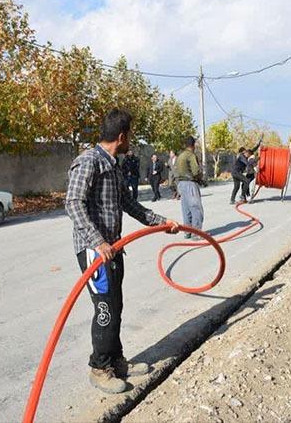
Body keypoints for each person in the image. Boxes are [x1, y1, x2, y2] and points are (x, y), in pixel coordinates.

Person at [65, 108, 179, 394]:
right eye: (130, 135)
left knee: (116, 306)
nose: (132, 141)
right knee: (104, 308)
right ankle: (99, 368)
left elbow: (129, 204)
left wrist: (160, 223)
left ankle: (116, 362)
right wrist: (98, 242)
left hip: (113, 250)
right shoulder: (88, 161)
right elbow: (73, 203)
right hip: (95, 252)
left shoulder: (112, 164)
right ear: (121, 136)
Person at [173, 136, 204, 239]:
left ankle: (187, 232)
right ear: (193, 144)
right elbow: (196, 172)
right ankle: (196, 233)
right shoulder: (191, 155)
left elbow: (175, 172)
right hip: (190, 183)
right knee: (196, 208)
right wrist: (201, 179)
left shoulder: (180, 156)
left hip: (181, 184)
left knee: (186, 209)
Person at [230, 137, 262, 204]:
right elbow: (248, 163)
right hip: (236, 172)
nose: (247, 154)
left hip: (235, 172)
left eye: (247, 152)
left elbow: (252, 150)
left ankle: (232, 200)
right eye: (245, 152)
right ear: (243, 152)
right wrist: (257, 159)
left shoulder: (246, 155)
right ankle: (242, 195)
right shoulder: (242, 156)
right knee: (246, 181)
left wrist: (258, 144)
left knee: (237, 186)